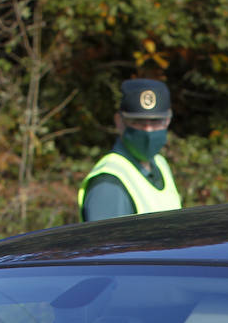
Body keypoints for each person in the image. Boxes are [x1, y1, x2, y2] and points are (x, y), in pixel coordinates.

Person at [77, 79, 182, 221]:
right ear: (119, 122)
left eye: (156, 121)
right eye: (138, 122)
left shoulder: (160, 164)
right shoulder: (109, 184)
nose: (148, 130)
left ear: (168, 121)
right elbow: (108, 242)